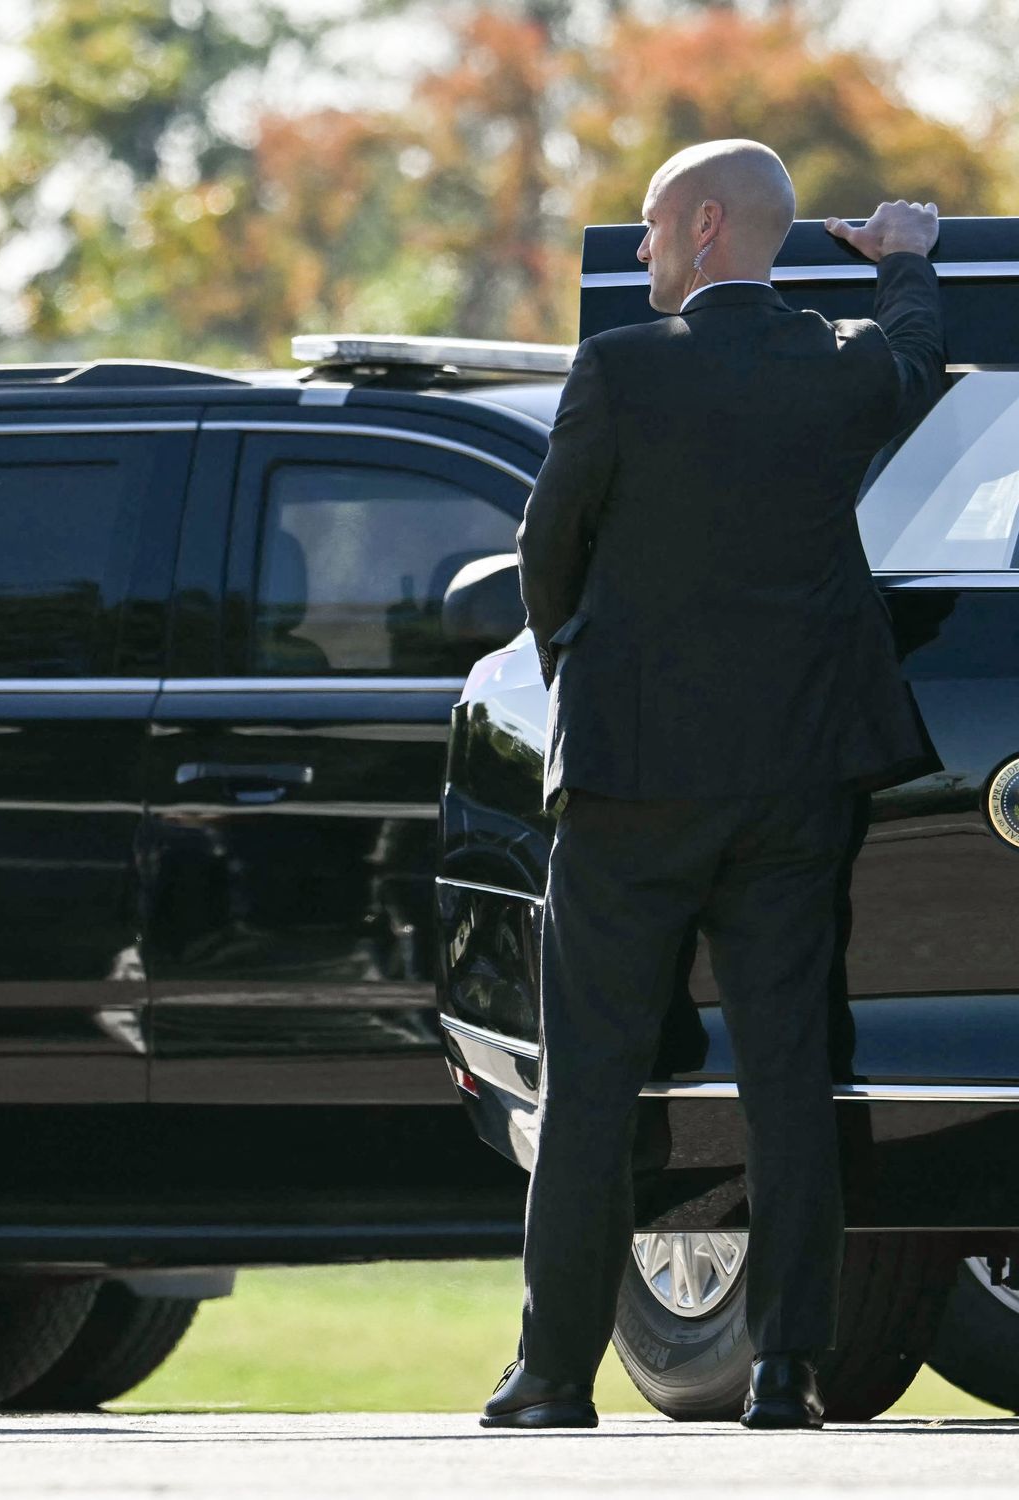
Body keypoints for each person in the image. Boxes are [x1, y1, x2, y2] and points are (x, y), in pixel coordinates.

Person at [482, 141, 943, 1432]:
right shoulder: (840, 363)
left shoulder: (624, 367)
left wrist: (581, 658)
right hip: (798, 778)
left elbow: (549, 548)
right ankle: (789, 1368)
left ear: (697, 228)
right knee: (790, 1072)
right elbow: (916, 355)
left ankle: (552, 1376)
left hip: (633, 777)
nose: (636, 257)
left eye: (643, 232)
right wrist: (907, 259)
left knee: (590, 1080)